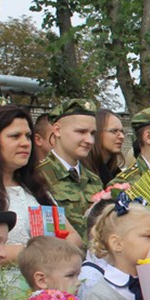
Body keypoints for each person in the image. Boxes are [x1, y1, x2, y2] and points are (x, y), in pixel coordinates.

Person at [0, 105, 82, 300]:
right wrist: (40, 251)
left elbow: (73, 237)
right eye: (14, 136)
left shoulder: (35, 190)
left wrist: (47, 250)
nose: (24, 143)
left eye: (28, 136)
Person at [36, 99, 104, 239]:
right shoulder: (38, 176)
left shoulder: (94, 180)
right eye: (81, 131)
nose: (89, 140)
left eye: (92, 133)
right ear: (57, 130)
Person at [85, 109, 125, 187]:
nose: (122, 136)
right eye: (114, 131)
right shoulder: (84, 172)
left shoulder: (116, 173)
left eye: (122, 132)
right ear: (96, 133)